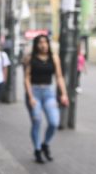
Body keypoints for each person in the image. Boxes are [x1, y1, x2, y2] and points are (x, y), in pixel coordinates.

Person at [23, 34, 69, 164]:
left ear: (48, 44)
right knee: (37, 121)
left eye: (45, 42)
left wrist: (64, 94)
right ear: (36, 45)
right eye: (40, 42)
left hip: (49, 93)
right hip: (34, 92)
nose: (43, 45)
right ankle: (37, 150)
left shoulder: (54, 58)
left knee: (54, 122)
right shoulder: (30, 58)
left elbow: (59, 77)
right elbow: (26, 78)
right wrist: (30, 97)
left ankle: (45, 144)